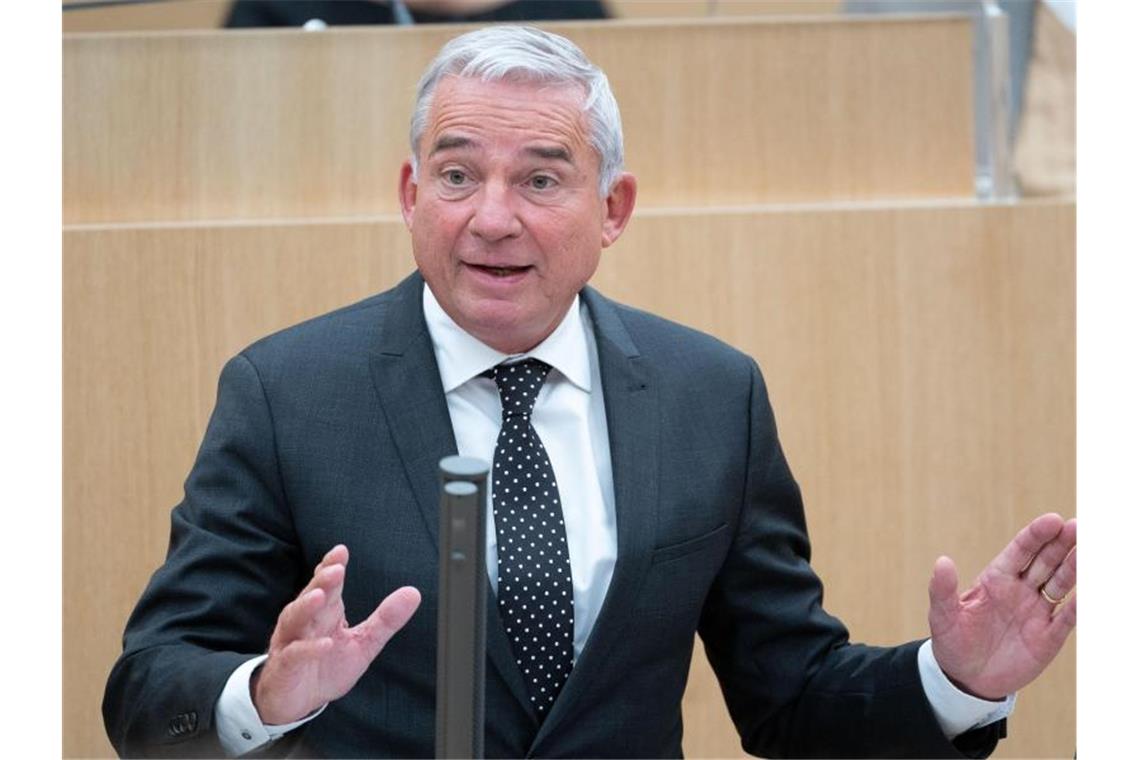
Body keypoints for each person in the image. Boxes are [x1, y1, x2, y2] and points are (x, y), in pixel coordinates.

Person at [102, 25, 1076, 758]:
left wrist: (953, 682)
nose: (491, 218)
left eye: (539, 180)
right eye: (456, 174)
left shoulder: (710, 396)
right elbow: (150, 683)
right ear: (409, 196)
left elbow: (790, 697)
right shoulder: (286, 392)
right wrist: (268, 690)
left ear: (612, 208)